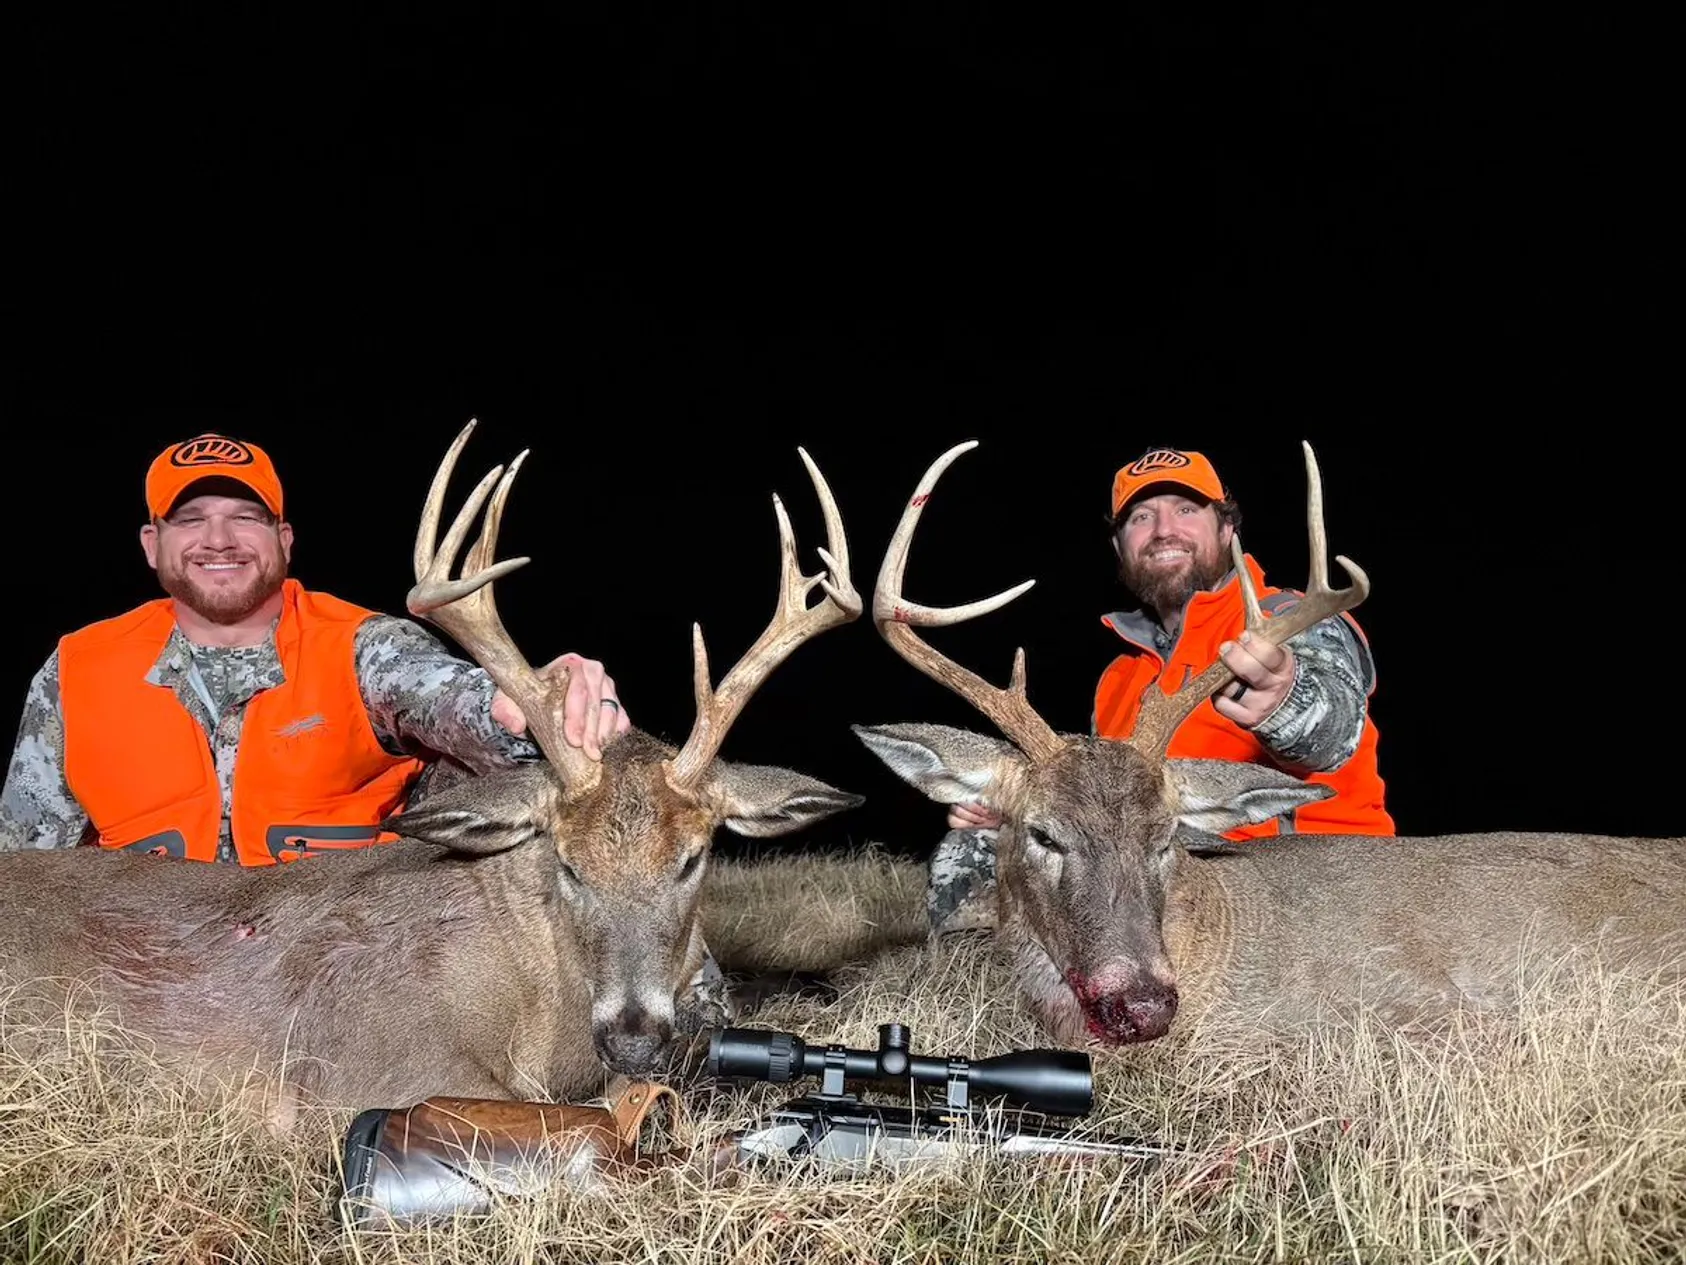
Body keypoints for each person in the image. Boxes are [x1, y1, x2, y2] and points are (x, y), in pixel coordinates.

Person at [0, 431, 634, 865]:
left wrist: (524, 702)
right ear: (151, 544)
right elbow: (25, 867)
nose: (218, 539)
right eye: (190, 519)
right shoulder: (79, 670)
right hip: (145, 977)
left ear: (284, 539)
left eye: (245, 517)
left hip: (338, 974)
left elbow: (445, 695)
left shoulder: (360, 648)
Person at [927, 443, 1394, 934]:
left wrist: (1285, 700)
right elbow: (1104, 814)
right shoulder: (1120, 677)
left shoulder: (1288, 621)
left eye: (1187, 510)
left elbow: (1337, 733)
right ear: (1119, 547)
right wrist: (1019, 811)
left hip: (1318, 873)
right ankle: (977, 997)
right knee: (981, 847)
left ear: (1227, 528)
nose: (1165, 529)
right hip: (1179, 869)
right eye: (1141, 517)